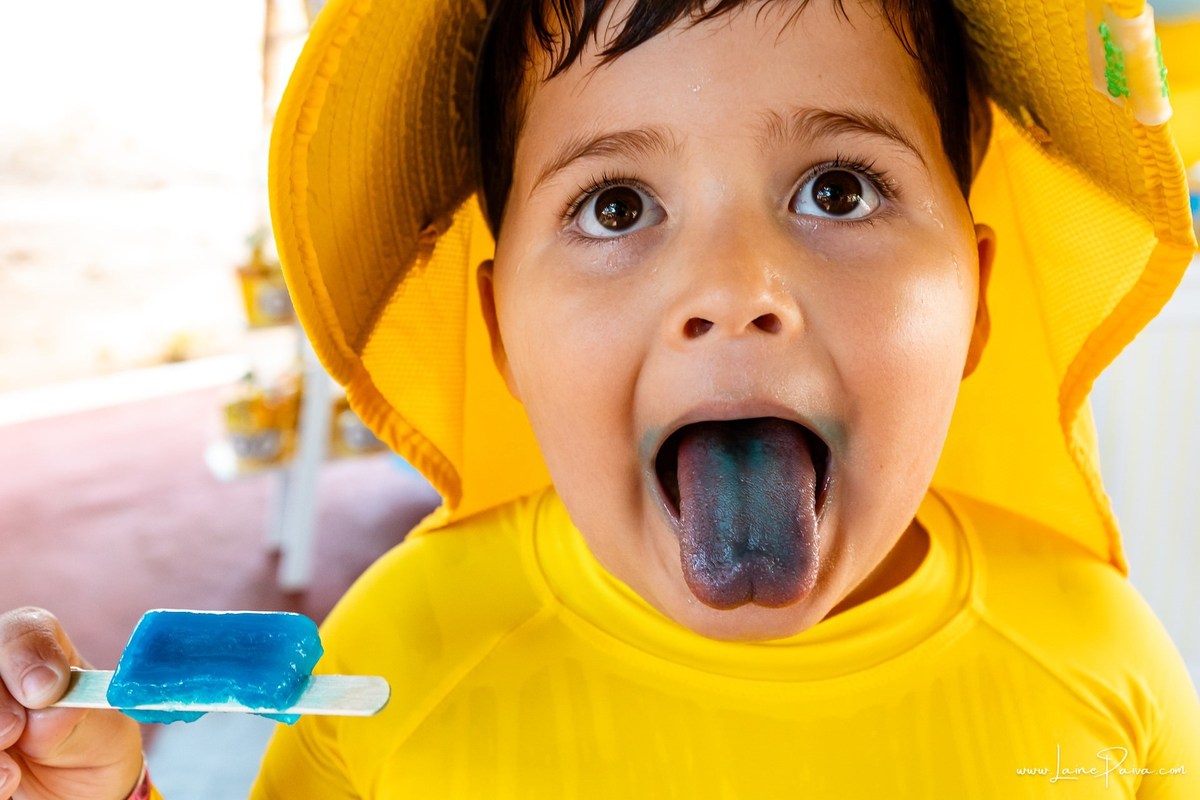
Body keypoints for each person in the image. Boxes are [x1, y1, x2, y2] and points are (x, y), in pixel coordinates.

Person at [2, 0, 1199, 796]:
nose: (735, 291)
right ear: (501, 336)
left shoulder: (1106, 661)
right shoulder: (399, 666)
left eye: (839, 189)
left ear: (978, 296)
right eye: (617, 206)